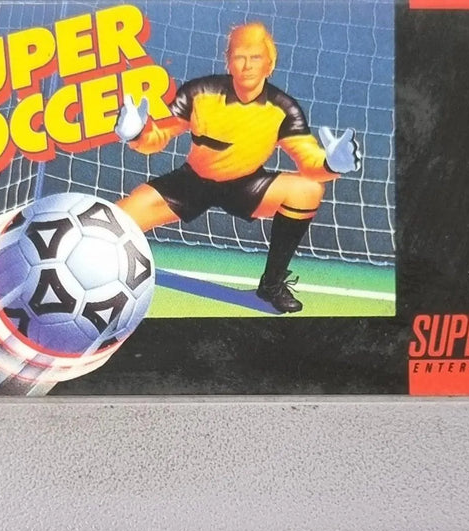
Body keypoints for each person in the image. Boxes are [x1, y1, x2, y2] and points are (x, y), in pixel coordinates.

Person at [113, 22, 360, 314]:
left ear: (270, 63)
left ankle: (271, 285)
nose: (247, 65)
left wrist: (332, 164)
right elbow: (159, 136)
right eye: (240, 56)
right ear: (228, 60)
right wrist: (137, 133)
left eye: (256, 57)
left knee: (307, 190)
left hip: (246, 185)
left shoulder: (283, 109)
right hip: (193, 182)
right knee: (113, 222)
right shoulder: (200, 92)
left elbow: (309, 162)